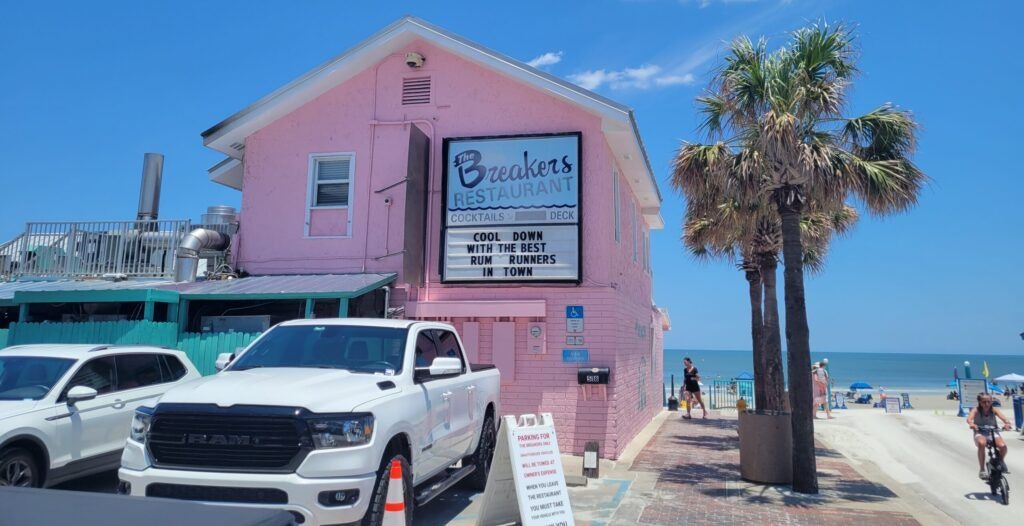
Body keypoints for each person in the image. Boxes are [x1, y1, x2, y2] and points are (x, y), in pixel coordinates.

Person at [967, 393, 1013, 479]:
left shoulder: (994, 410)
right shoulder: (976, 410)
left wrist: (1007, 424)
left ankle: (1001, 461)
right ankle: (982, 469)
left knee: (1003, 447)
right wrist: (972, 424)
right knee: (981, 443)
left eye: (989, 401)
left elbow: (1004, 418)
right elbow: (969, 419)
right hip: (980, 431)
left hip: (993, 431)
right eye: (984, 402)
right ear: (980, 402)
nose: (987, 404)